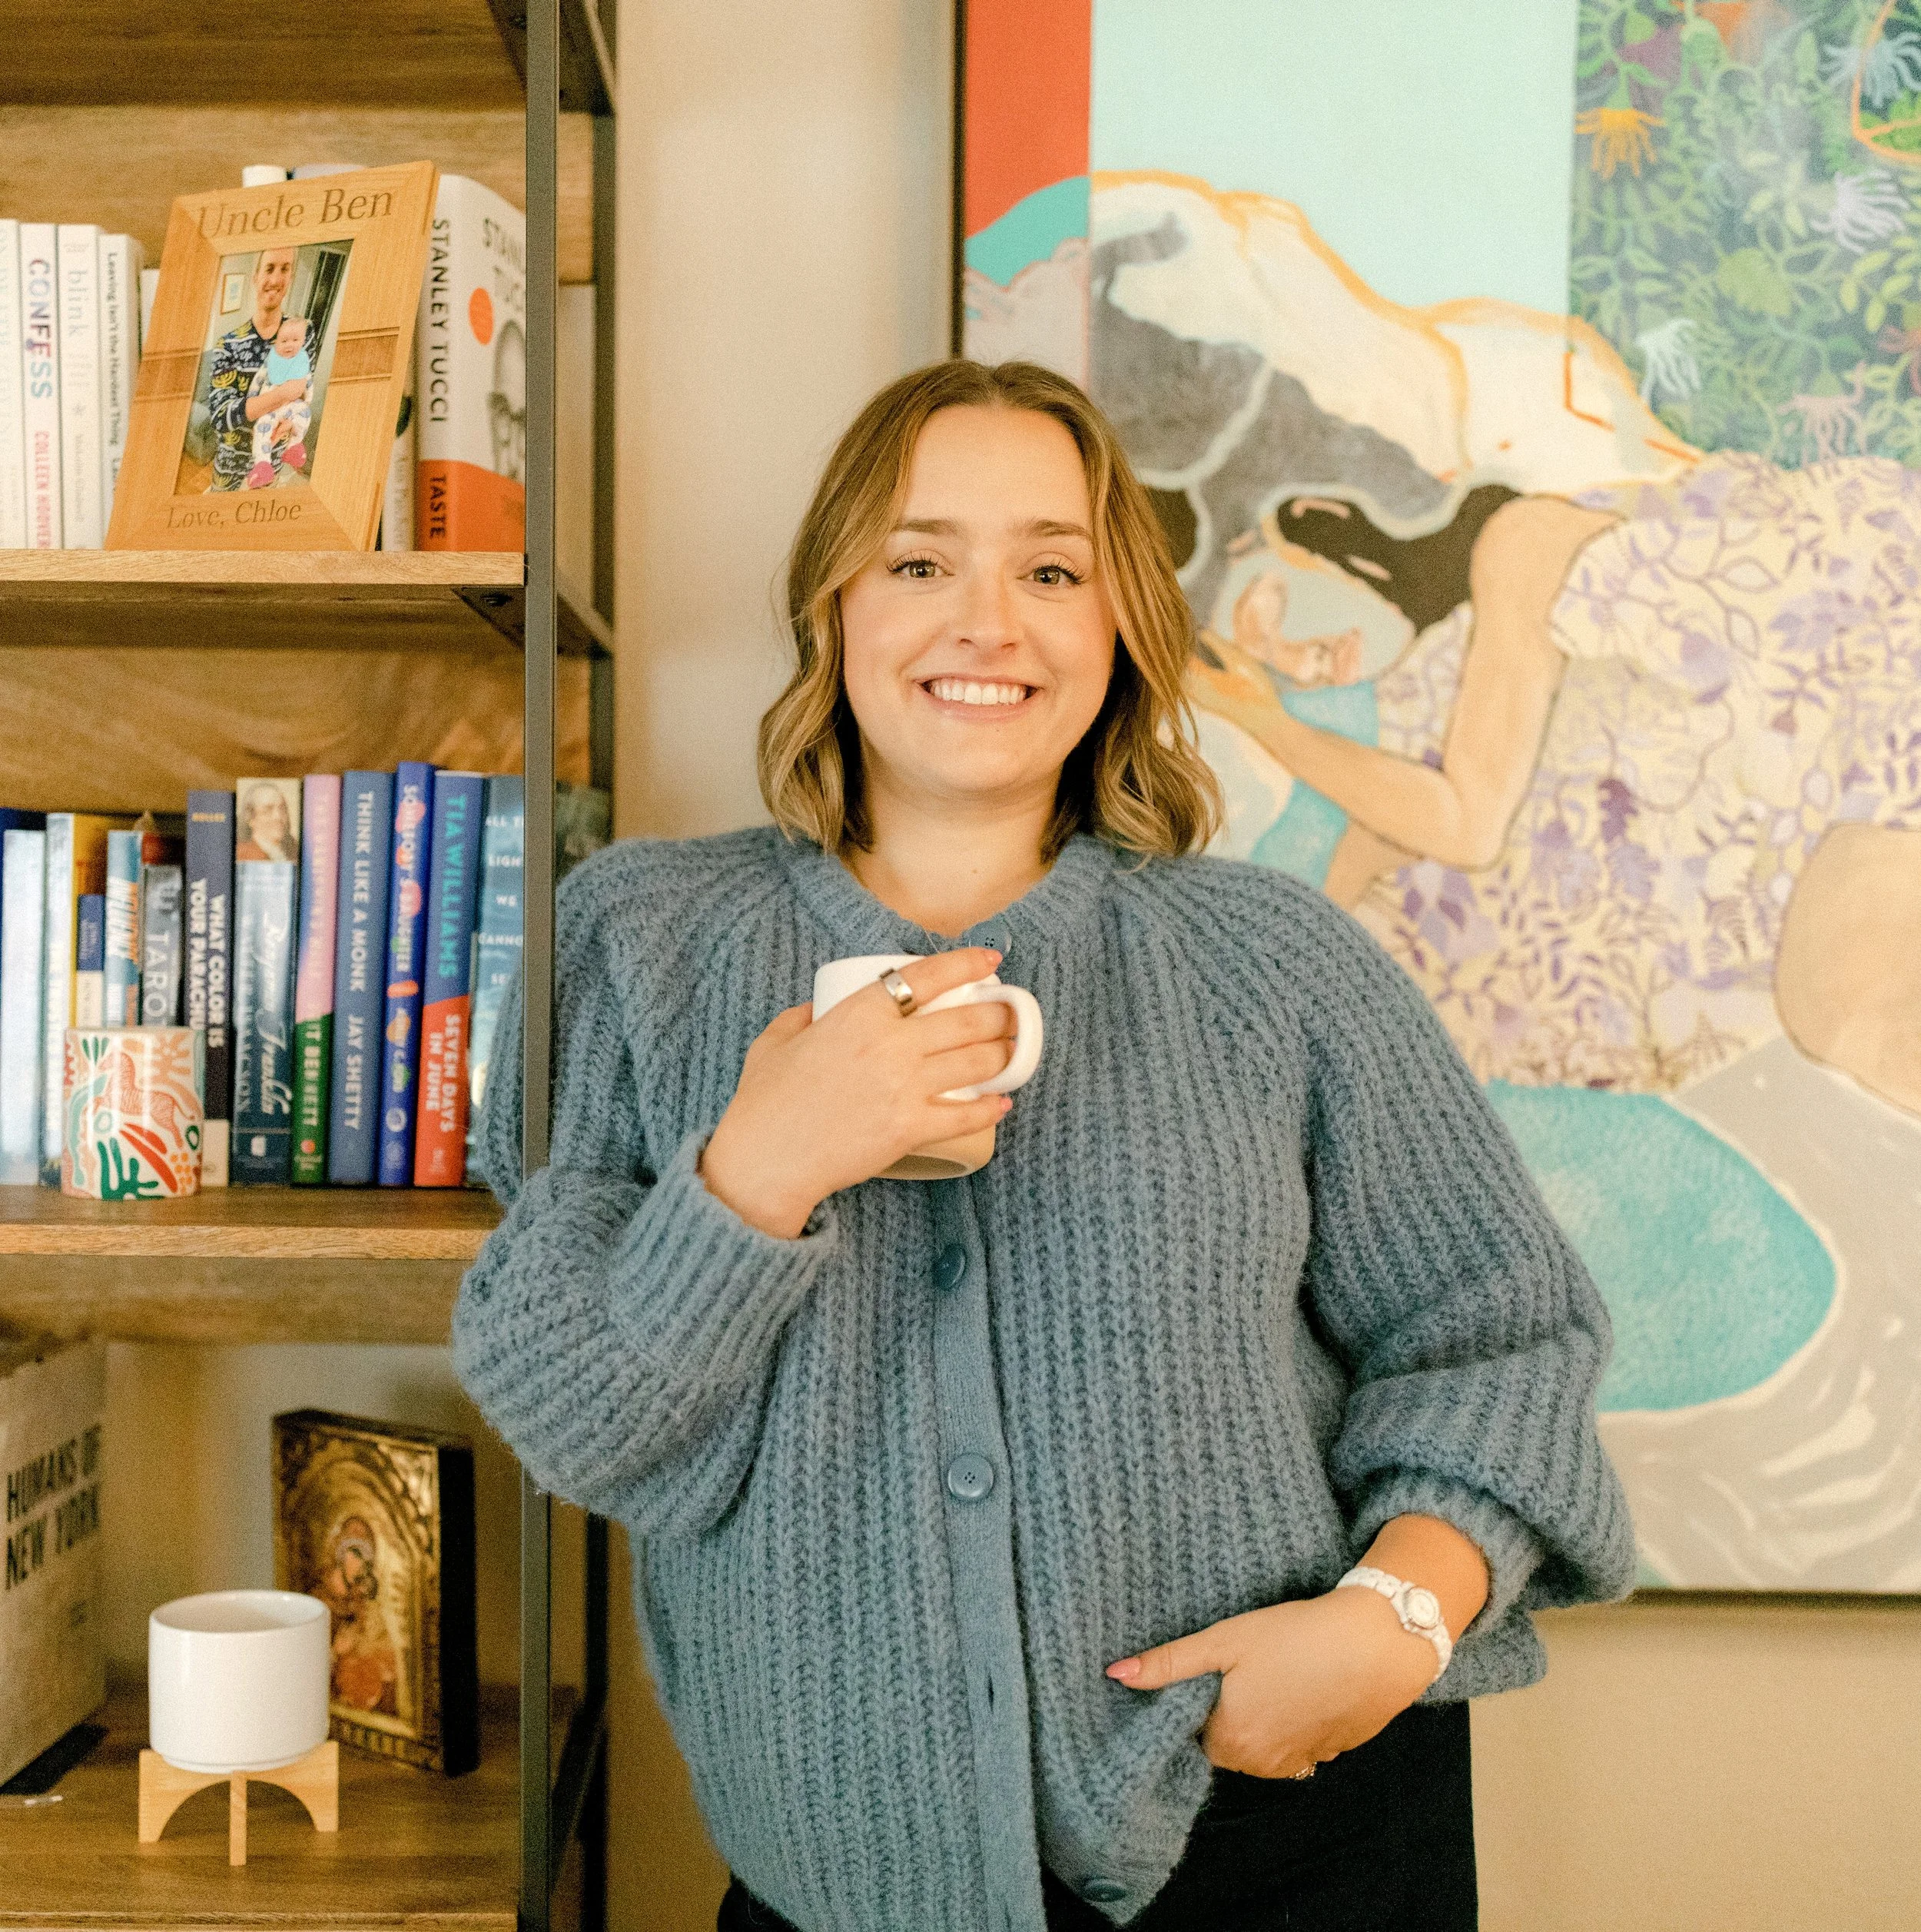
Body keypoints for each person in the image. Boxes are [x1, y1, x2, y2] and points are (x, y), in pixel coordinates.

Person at [452, 359, 1634, 1932]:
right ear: (831, 606)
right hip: (847, 1886)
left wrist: (1393, 1618)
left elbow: (1499, 1340)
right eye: (919, 562)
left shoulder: (1276, 960)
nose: (987, 623)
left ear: (1121, 623)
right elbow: (578, 1425)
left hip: (1288, 1835)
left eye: (1052, 571)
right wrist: (759, 1170)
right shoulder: (640, 943)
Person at [1188, 451, 1921, 1094]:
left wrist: (1279, 731)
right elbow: (1532, 546)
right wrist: (1277, 726)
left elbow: (1426, 869)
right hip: (1475, 647)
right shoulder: (1845, 649)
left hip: (1395, 789)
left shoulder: (1672, 1013)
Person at [204, 247, 311, 493]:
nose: (276, 279)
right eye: (269, 269)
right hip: (230, 468)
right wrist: (282, 394)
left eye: (285, 269)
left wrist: (290, 423)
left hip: (272, 464)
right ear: (255, 277)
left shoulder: (302, 334)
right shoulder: (227, 345)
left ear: (291, 277)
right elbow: (220, 417)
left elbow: (304, 391)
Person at [245, 315, 314, 487]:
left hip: (292, 406)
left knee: (305, 413)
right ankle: (262, 465)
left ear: (303, 341)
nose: (289, 345)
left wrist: (307, 400)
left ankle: (294, 446)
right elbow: (258, 380)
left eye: (295, 340)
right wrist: (252, 398)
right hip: (269, 408)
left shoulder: (301, 361)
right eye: (284, 341)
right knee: (261, 429)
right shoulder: (272, 360)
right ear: (276, 342)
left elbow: (308, 382)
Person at [234, 782, 297, 863]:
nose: (278, 817)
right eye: (267, 810)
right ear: (250, 818)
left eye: (282, 809)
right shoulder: (244, 854)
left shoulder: (294, 850)